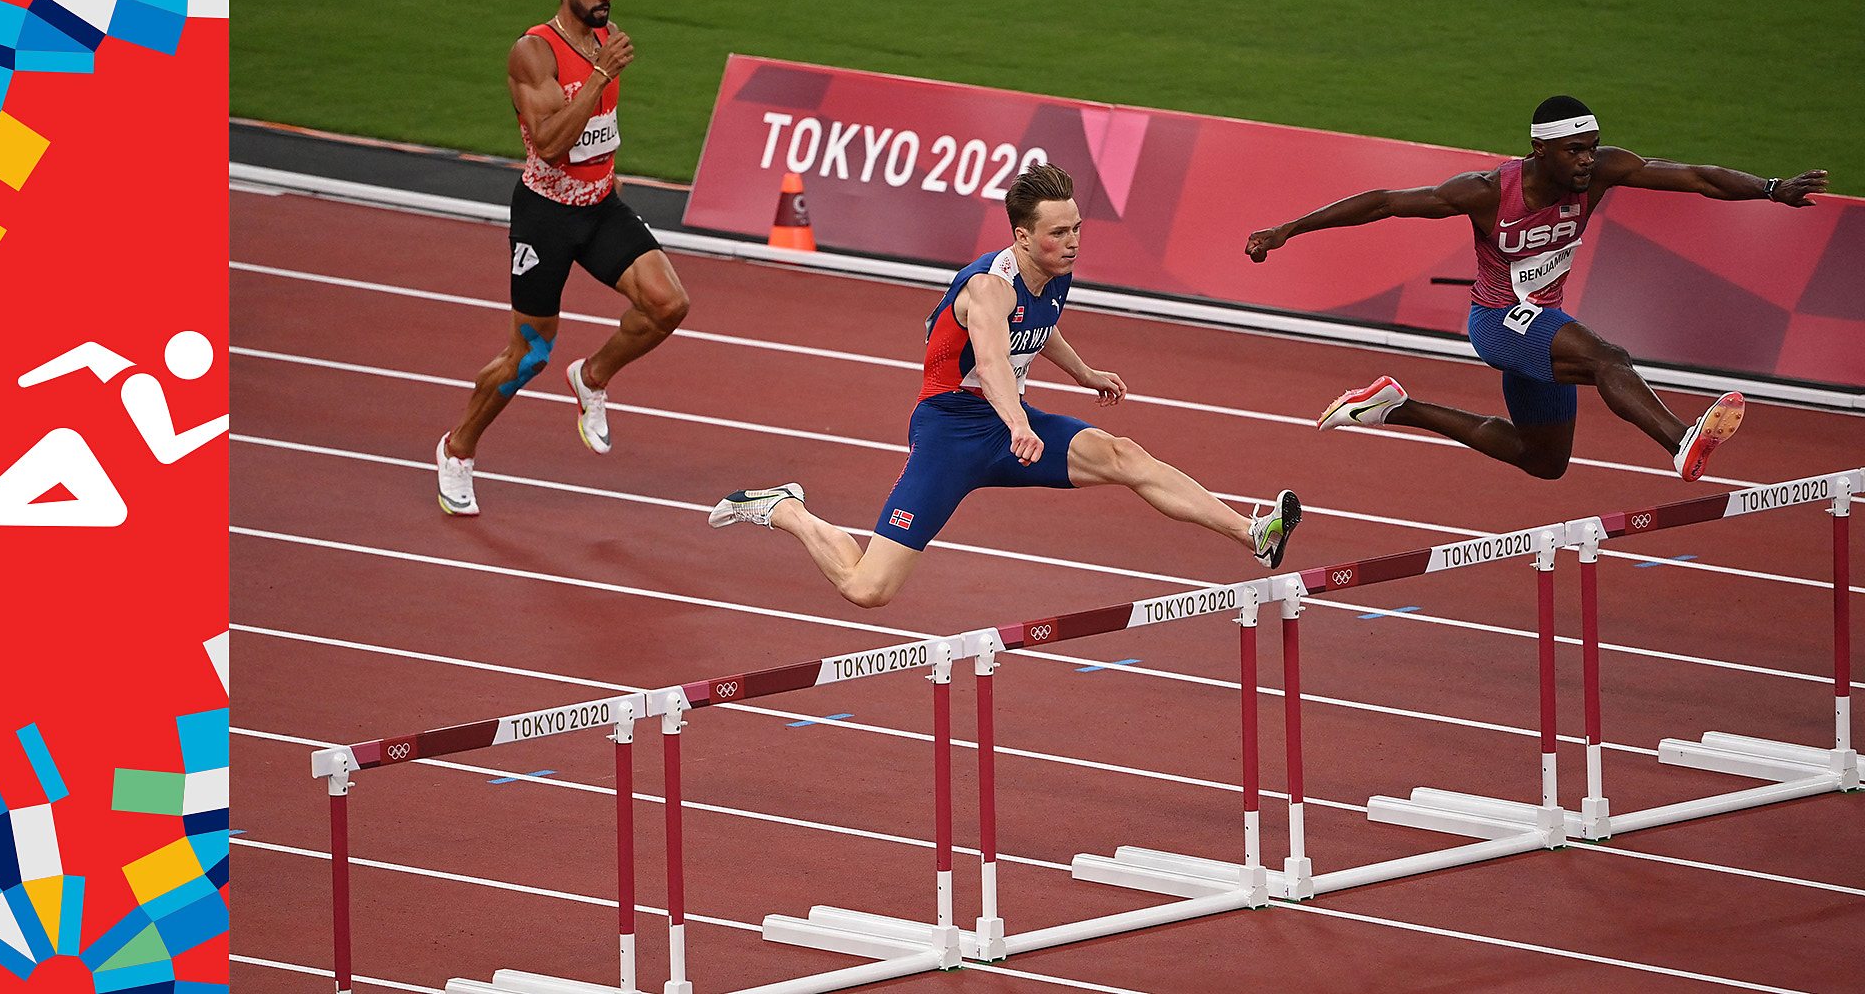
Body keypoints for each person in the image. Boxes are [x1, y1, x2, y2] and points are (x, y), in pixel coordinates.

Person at [709, 164, 1303, 608]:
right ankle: (786, 509)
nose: (1072, 242)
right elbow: (993, 362)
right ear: (1022, 236)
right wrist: (1018, 424)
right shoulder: (988, 289)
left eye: (1076, 228)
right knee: (869, 590)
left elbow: (1040, 331)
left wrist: (1085, 374)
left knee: (1123, 454)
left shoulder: (1053, 271)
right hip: (952, 430)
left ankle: (1253, 535)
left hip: (1007, 422)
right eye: (1058, 232)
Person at [1245, 95, 1827, 482]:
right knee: (1610, 359)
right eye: (1575, 150)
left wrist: (1771, 188)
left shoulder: (1600, 173)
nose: (1587, 161)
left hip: (1542, 319)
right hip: (1499, 323)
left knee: (1544, 460)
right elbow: (1385, 203)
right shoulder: (1483, 192)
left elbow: (1695, 177)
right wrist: (1288, 229)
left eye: (1592, 147)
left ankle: (1396, 408)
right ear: (1539, 150)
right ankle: (1682, 443)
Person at [435, 0, 691, 515]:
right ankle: (457, 450)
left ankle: (594, 377)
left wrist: (608, 170)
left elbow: (600, 128)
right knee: (528, 355)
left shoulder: (607, 38)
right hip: (545, 217)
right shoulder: (535, 51)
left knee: (668, 305)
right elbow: (549, 145)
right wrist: (599, 74)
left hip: (599, 205)